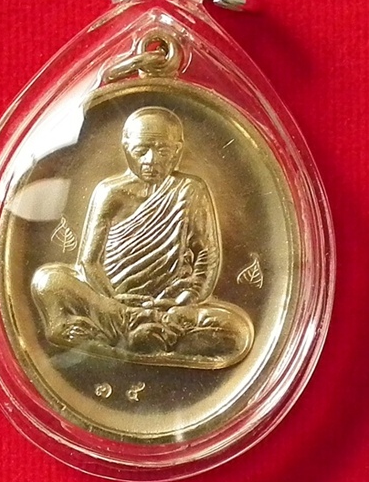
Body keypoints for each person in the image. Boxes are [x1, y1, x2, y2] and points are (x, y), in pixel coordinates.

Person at [32, 107, 253, 368]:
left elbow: (206, 253)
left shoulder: (190, 190)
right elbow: (89, 262)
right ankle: (141, 328)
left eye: (163, 151)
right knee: (48, 281)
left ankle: (130, 334)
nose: (151, 160)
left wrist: (187, 299)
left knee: (237, 331)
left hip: (169, 306)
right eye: (141, 150)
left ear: (177, 151)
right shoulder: (111, 193)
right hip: (113, 301)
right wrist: (114, 299)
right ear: (126, 148)